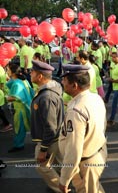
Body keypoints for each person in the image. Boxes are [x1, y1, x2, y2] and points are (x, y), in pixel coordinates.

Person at [59, 64, 107, 193]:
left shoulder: (76, 110)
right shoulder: (95, 98)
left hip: (85, 163)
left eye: (64, 80)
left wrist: (64, 179)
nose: (62, 82)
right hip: (97, 153)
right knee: (95, 188)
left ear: (74, 85)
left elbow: (73, 149)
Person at [30, 60, 64, 192]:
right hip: (55, 139)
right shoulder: (49, 89)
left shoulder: (46, 96)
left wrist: (43, 149)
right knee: (58, 164)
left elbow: (50, 126)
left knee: (42, 165)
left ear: (40, 76)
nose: (30, 73)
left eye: (32, 72)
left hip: (49, 141)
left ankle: (61, 189)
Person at [6, 63, 34, 152]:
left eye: (8, 70)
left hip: (20, 109)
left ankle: (19, 145)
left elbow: (14, 97)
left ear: (13, 73)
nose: (6, 72)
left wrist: (4, 97)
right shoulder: (22, 80)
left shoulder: (17, 84)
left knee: (19, 128)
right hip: (28, 107)